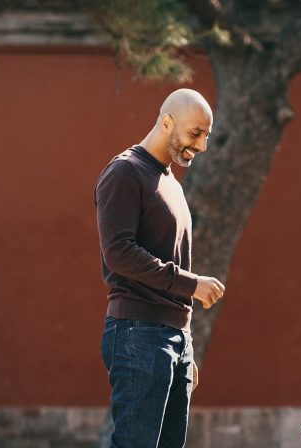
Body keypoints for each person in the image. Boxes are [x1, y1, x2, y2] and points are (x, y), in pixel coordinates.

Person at [94, 88, 225, 448]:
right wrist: (191, 283)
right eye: (194, 133)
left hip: (171, 338)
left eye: (206, 136)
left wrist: (185, 343)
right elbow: (118, 253)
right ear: (167, 122)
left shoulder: (170, 183)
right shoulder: (124, 172)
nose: (201, 146)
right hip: (138, 334)